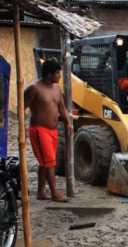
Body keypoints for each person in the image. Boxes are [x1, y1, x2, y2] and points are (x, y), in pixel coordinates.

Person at [24, 59, 72, 202]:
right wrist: (23, 128)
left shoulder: (57, 88)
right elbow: (22, 108)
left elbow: (62, 107)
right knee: (49, 162)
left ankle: (40, 191)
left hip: (53, 130)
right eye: (57, 73)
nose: (59, 76)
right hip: (39, 130)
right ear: (49, 74)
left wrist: (68, 123)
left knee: (45, 162)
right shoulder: (34, 88)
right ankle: (54, 193)